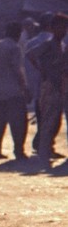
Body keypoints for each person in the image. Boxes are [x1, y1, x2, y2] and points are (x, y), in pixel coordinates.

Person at [0, 21, 30, 162]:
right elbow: (17, 70)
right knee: (19, 123)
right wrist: (24, 87)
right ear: (18, 33)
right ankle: (19, 151)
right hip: (13, 91)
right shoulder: (14, 48)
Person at [29, 12, 68, 168]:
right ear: (52, 28)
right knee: (48, 121)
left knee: (56, 121)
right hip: (51, 85)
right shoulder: (48, 44)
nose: (63, 30)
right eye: (60, 27)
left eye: (65, 27)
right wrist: (42, 70)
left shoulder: (62, 45)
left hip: (61, 85)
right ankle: (43, 153)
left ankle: (48, 150)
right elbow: (30, 54)